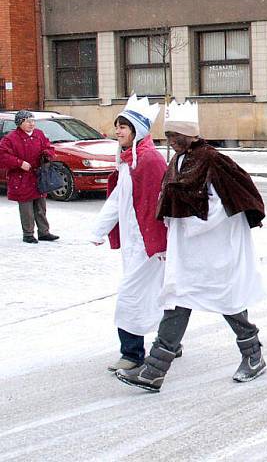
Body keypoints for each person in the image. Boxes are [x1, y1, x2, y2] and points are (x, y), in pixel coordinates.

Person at [116, 100, 267, 392]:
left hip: (215, 251)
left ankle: (254, 356)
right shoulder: (180, 159)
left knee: (228, 303)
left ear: (189, 135)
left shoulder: (212, 160)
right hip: (186, 252)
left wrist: (191, 224)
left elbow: (226, 205)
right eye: (168, 136)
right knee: (177, 300)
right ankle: (154, 371)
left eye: (175, 137)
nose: (170, 142)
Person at [90, 96, 168, 372]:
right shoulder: (128, 160)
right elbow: (117, 200)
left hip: (149, 246)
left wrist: (161, 243)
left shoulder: (149, 160)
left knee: (130, 296)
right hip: (134, 244)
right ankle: (169, 343)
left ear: (138, 130)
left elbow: (163, 203)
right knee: (156, 295)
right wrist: (100, 229)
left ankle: (132, 353)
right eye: (117, 126)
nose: (118, 131)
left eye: (124, 126)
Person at [0, 110, 59, 244]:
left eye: (33, 121)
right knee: (26, 207)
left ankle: (44, 232)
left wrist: (47, 154)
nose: (31, 124)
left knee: (41, 206)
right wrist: (19, 163)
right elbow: (3, 156)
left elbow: (48, 147)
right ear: (20, 123)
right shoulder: (10, 138)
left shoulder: (39, 134)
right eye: (28, 121)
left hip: (38, 175)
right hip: (21, 178)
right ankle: (28, 234)